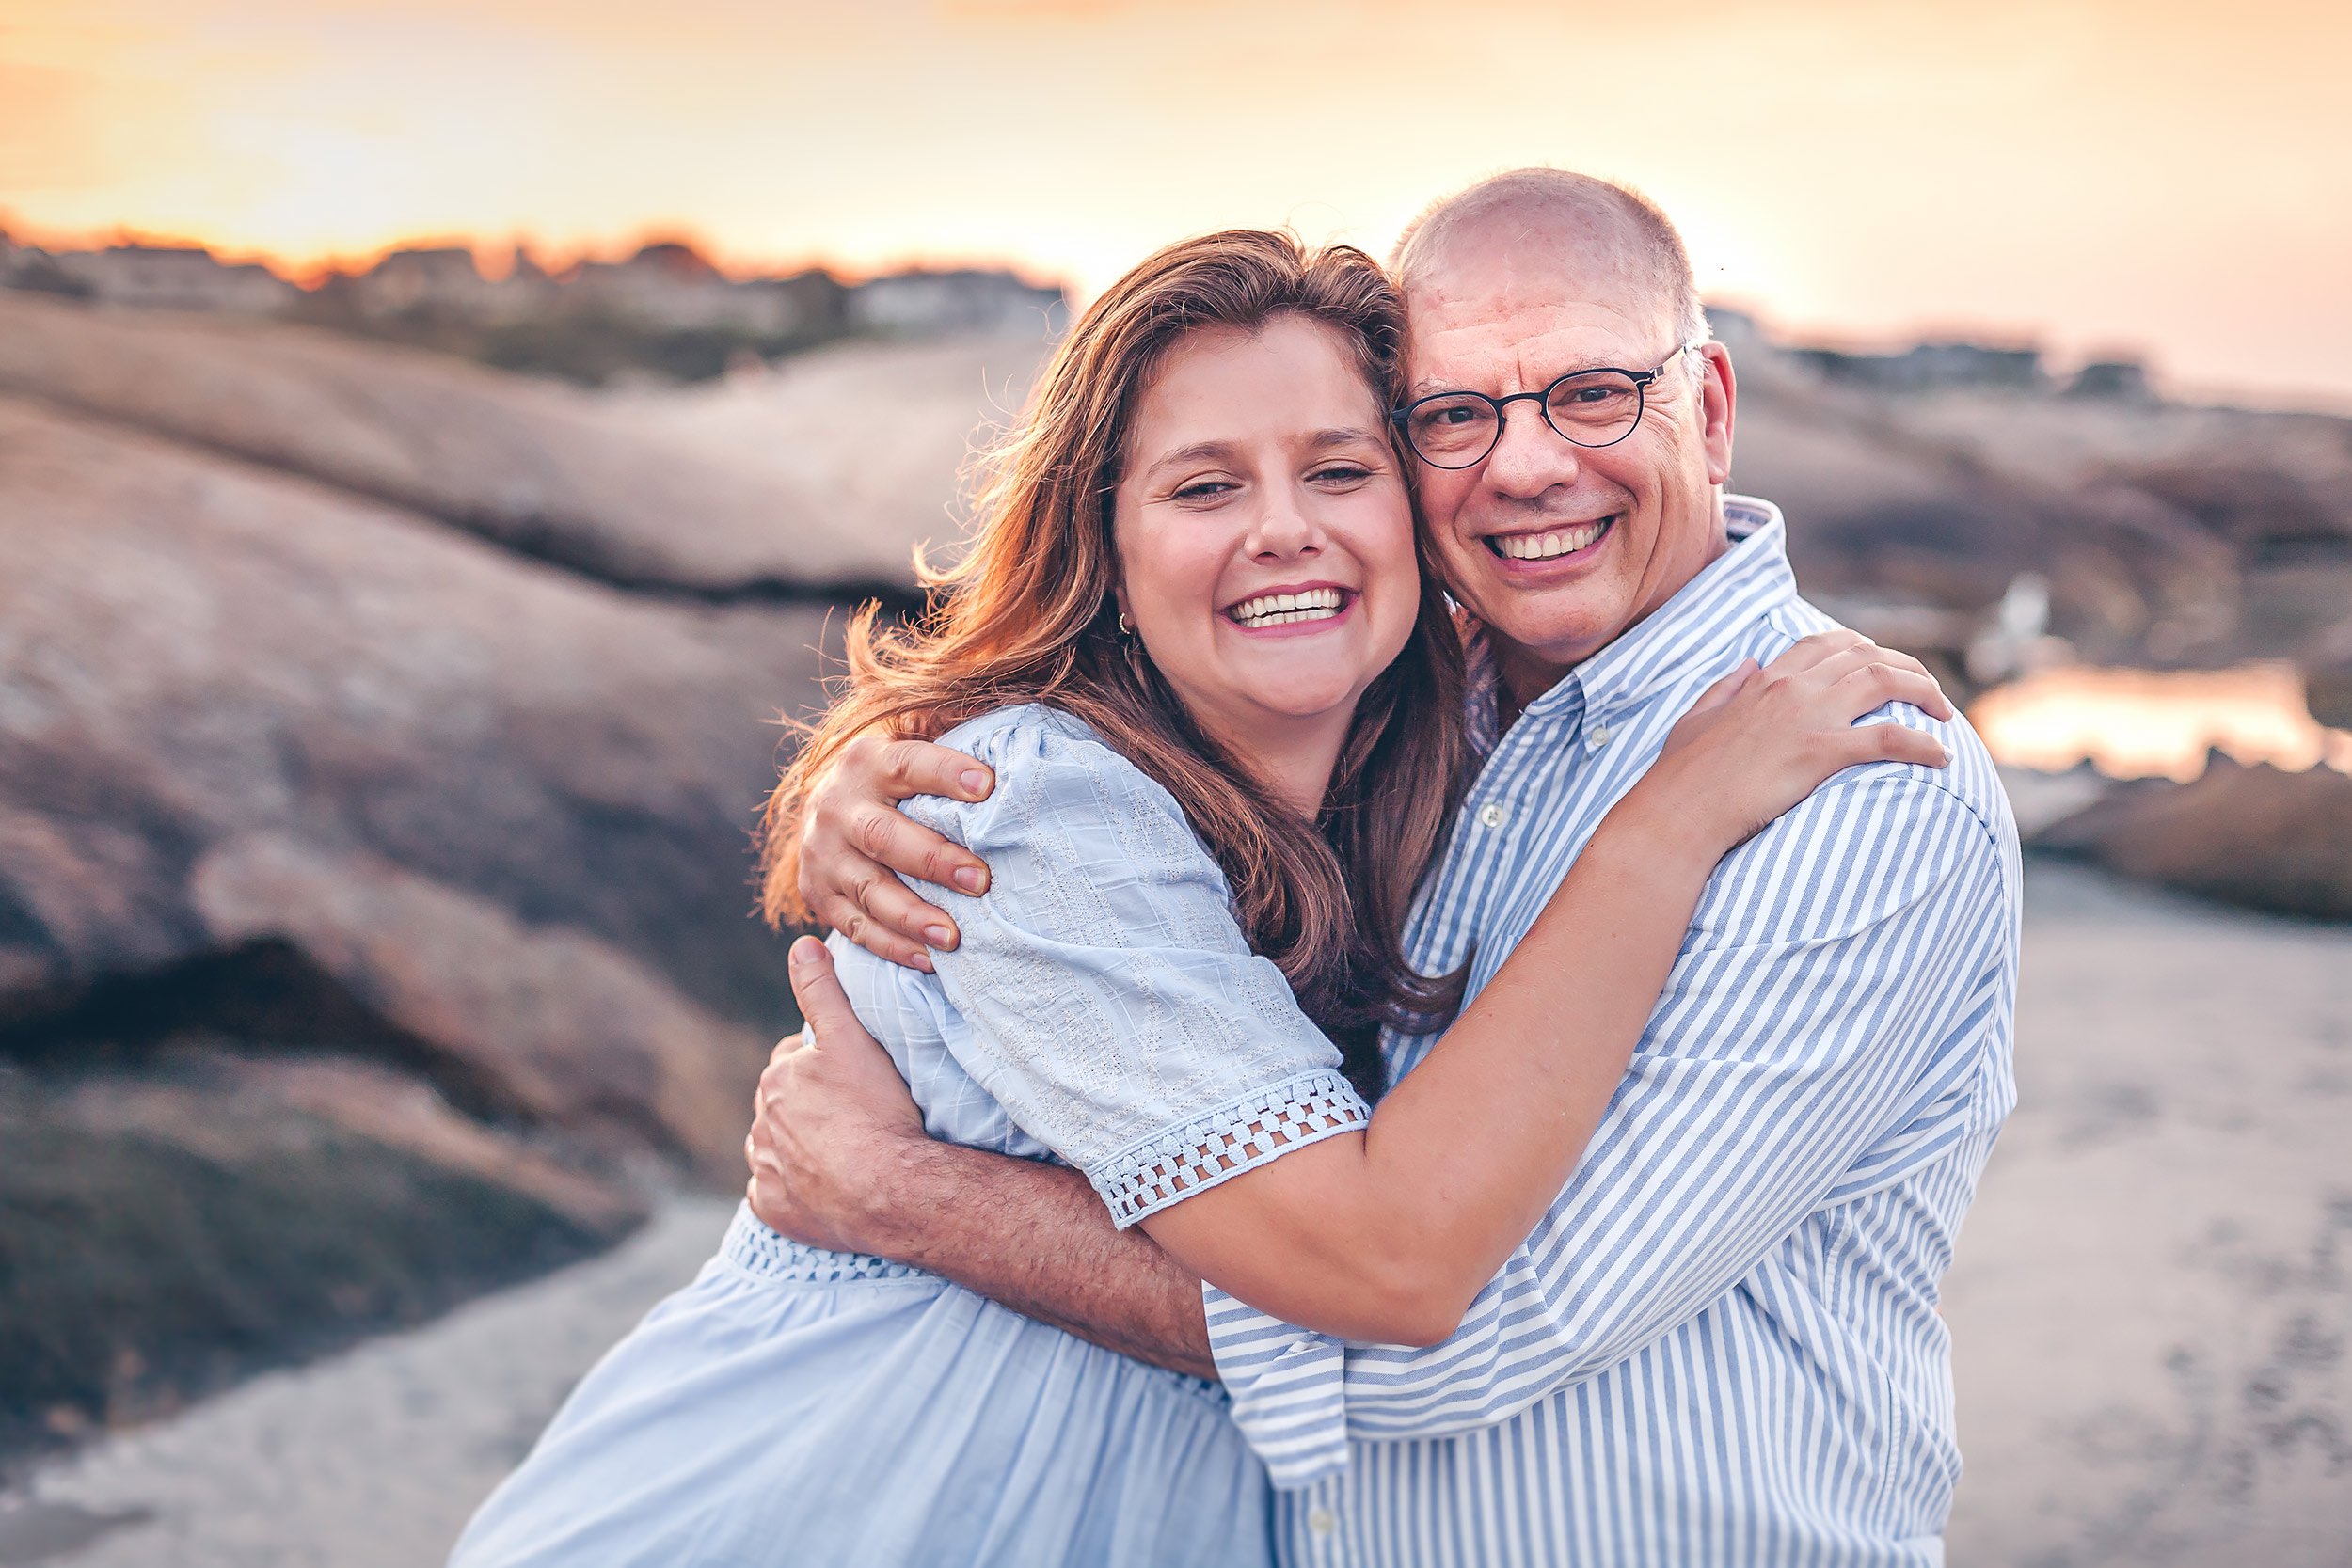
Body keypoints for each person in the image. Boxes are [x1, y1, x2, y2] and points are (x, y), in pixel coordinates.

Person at [448, 228, 1951, 1568]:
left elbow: (1439, 1286)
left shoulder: (1449, 755)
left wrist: (908, 1198)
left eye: (1340, 467)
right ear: (1102, 540)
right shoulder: (1021, 811)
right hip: (835, 1506)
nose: (1285, 528)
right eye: (1204, 485)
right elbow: (1386, 1265)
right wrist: (1670, 822)